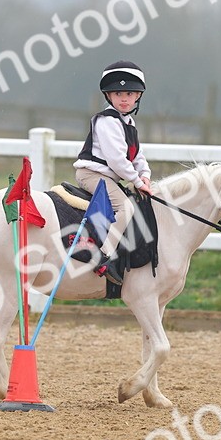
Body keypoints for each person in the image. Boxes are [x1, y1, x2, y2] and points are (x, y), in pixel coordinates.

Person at [74, 60, 152, 285]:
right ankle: (105, 257)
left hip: (108, 176)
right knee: (125, 207)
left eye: (130, 93)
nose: (124, 98)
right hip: (92, 174)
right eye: (118, 93)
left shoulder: (128, 122)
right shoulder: (106, 121)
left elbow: (137, 156)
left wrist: (145, 175)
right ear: (109, 96)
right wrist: (137, 182)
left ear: (138, 96)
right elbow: (117, 160)